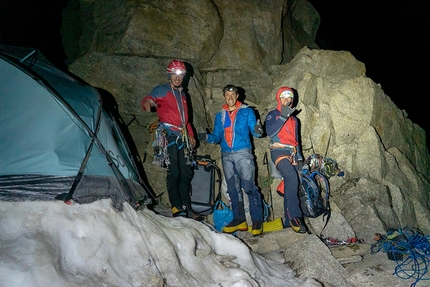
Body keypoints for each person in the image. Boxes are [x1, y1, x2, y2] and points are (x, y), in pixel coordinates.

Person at [198, 84, 264, 236]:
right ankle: (239, 219)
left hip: (243, 153)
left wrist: (258, 130)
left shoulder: (247, 111)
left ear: (238, 96)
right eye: (227, 95)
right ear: (224, 97)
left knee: (249, 187)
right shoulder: (220, 115)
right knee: (232, 188)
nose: (230, 98)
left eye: (233, 95)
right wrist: (206, 137)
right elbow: (217, 136)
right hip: (226, 155)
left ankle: (257, 219)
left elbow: (255, 130)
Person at [141, 59, 196, 218]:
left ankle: (187, 206)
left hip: (183, 136)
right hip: (169, 135)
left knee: (186, 172)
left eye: (180, 75)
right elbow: (148, 99)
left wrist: (191, 135)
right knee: (174, 172)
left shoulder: (183, 94)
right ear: (169, 75)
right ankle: (176, 206)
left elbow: (186, 119)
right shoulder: (162, 90)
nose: (177, 78)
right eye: (174, 74)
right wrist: (148, 102)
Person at [264, 86, 308, 233]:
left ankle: (289, 222)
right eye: (283, 97)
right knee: (291, 177)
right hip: (278, 151)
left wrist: (300, 159)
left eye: (289, 97)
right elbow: (270, 131)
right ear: (278, 98)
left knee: (292, 183)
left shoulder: (295, 120)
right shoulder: (273, 114)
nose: (286, 100)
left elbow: (296, 140)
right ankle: (296, 217)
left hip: (293, 153)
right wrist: (283, 116)